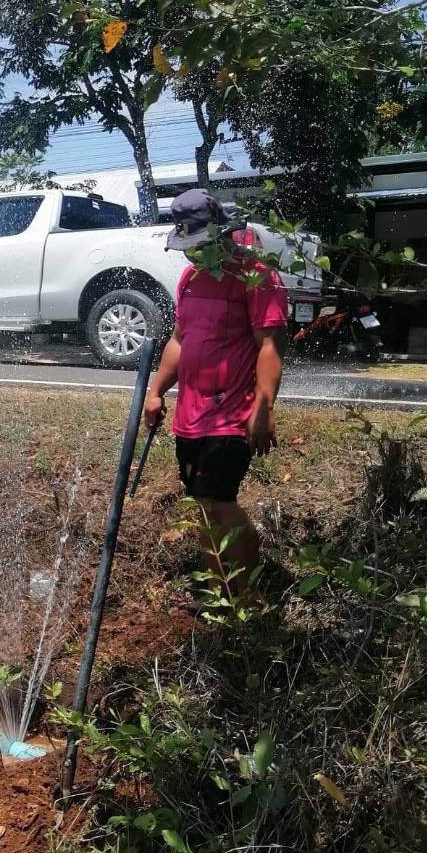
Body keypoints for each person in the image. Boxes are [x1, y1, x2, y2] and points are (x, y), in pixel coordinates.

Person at [143, 189, 288, 591]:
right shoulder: (190, 277)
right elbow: (178, 340)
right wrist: (157, 392)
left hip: (230, 415)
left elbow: (270, 346)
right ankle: (218, 590)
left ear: (222, 235)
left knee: (220, 503)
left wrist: (264, 407)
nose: (191, 253)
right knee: (204, 507)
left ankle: (246, 597)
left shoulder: (255, 276)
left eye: (199, 244)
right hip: (190, 418)